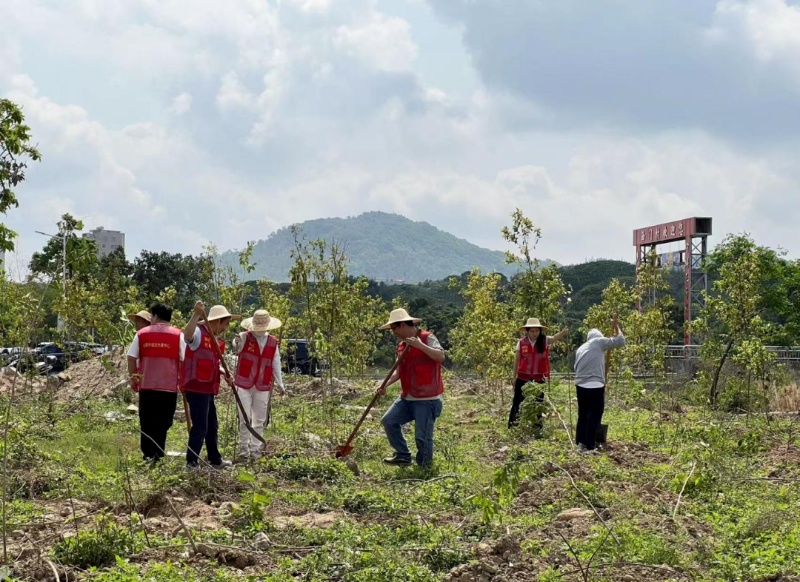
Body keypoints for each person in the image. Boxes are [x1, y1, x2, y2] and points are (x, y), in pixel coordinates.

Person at [378, 308, 446, 467]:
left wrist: (420, 346)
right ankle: (403, 455)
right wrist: (384, 385)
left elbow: (440, 356)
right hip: (407, 397)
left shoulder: (427, 337)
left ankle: (424, 467)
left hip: (427, 399)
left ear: (402, 325)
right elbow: (399, 371)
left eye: (394, 328)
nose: (393, 333)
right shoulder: (401, 346)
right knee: (389, 421)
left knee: (422, 437)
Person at [183, 301, 240, 470]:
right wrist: (196, 314)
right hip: (196, 387)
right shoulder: (199, 334)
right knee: (200, 426)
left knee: (212, 426)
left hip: (208, 388)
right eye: (226, 324)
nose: (226, 328)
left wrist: (225, 374)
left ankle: (215, 459)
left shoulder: (217, 341)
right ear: (217, 321)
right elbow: (187, 336)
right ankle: (191, 462)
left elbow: (215, 363)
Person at [126, 303, 186, 463]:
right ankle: (158, 454)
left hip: (147, 385)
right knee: (164, 421)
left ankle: (147, 454)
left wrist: (134, 377)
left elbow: (131, 357)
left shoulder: (141, 334)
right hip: (168, 387)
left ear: (155, 316)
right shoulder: (178, 335)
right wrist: (183, 381)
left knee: (146, 420)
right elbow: (185, 359)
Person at [232, 309, 284, 462]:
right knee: (244, 417)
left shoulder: (273, 342)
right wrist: (237, 343)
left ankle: (255, 449)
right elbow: (236, 346)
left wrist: (280, 384)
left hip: (262, 384)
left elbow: (276, 363)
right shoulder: (244, 337)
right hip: (243, 383)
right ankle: (243, 449)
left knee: (259, 419)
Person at [573, 314, 626, 452]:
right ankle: (590, 445)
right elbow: (621, 341)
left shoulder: (581, 348)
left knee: (583, 414)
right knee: (594, 414)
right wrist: (616, 327)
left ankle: (580, 442)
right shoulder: (598, 342)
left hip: (580, 385)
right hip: (594, 386)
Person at [509, 318, 568, 429]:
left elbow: (555, 338)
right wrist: (514, 377)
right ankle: (514, 426)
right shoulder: (521, 343)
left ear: (540, 331)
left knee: (538, 402)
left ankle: (537, 427)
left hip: (539, 377)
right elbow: (517, 360)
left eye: (537, 331)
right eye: (532, 331)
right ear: (527, 331)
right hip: (523, 377)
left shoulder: (544, 341)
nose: (535, 333)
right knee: (518, 401)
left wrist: (563, 333)